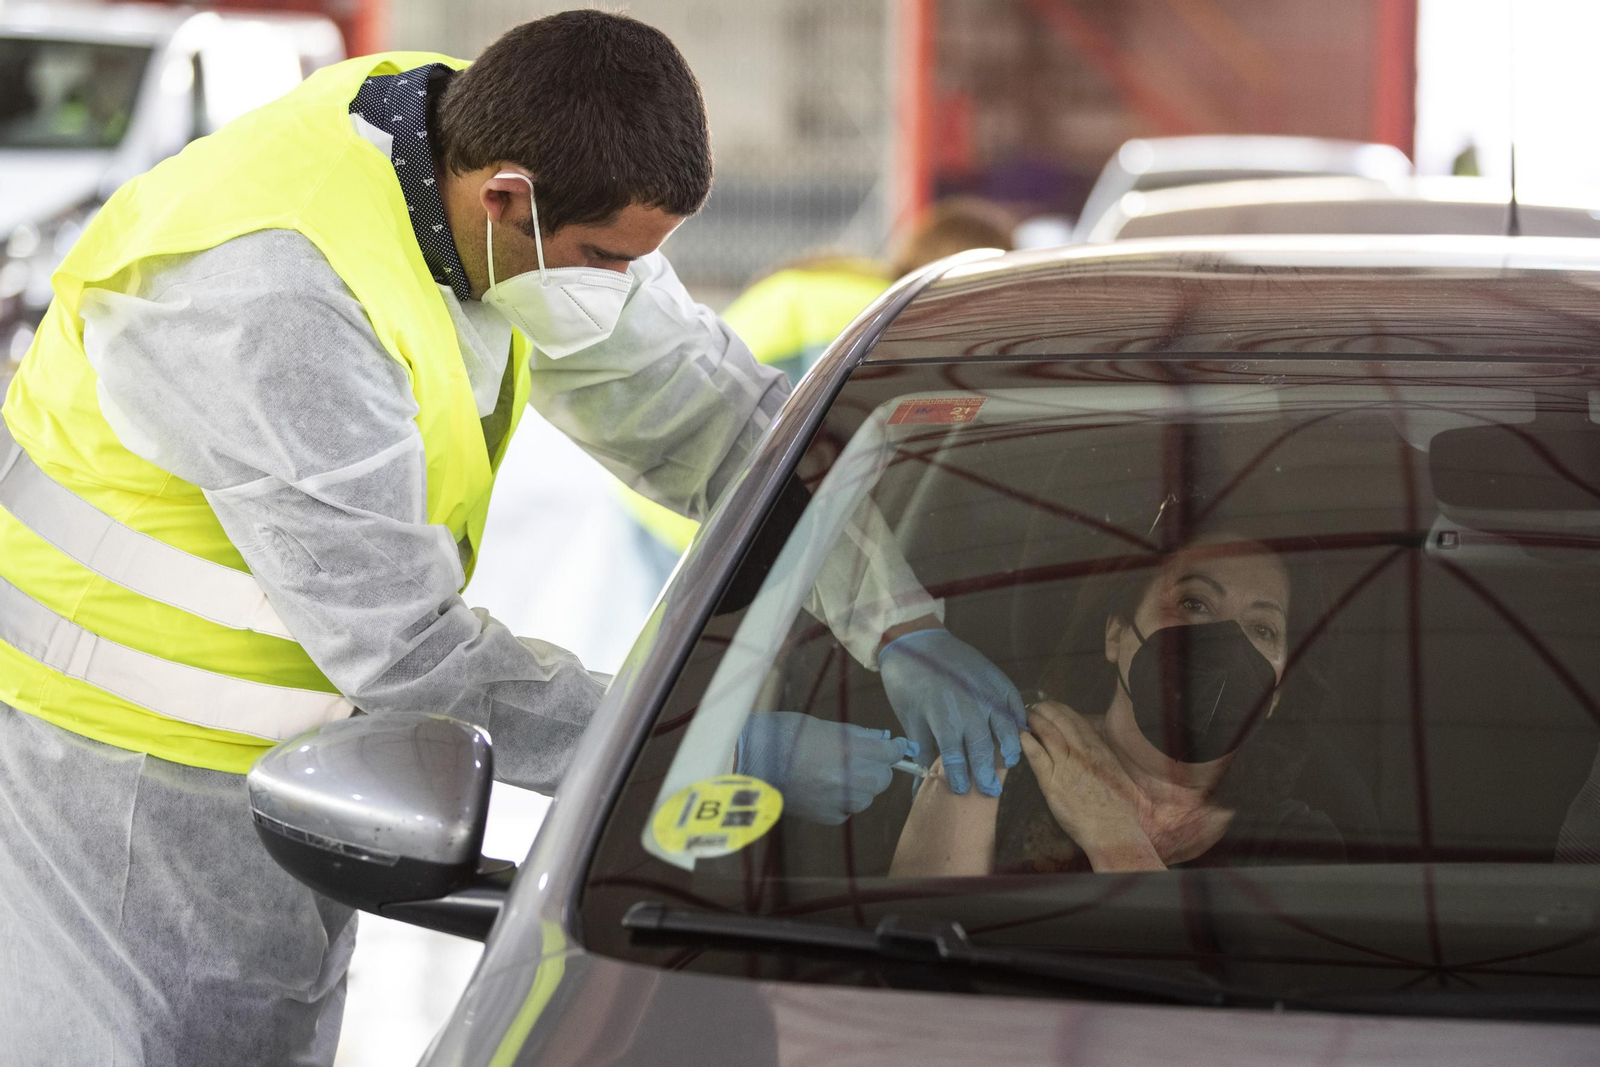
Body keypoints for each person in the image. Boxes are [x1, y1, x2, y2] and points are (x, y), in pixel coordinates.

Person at [0, 13, 1020, 1064]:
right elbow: (410, 651)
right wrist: (699, 748)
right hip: (112, 776)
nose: (619, 290)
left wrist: (898, 620)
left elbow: (712, 413)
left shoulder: (477, 152)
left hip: (295, 760)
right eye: (604, 259)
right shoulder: (271, 298)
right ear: (506, 199)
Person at [891, 534, 1343, 877]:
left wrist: (1109, 829)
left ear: (1277, 696)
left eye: (1263, 630)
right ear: (1116, 634)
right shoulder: (1002, 751)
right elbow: (913, 979)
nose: (1225, 642)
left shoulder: (1297, 847)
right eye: (1194, 602)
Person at [620, 197, 1017, 568]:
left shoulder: (861, 290)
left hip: (662, 467)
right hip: (692, 492)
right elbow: (838, 438)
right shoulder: (874, 321)